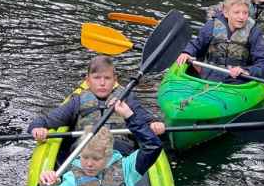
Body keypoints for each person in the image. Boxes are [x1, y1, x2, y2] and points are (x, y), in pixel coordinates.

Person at [38, 99, 161, 186]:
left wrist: (129, 116)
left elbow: (152, 146)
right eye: (85, 157)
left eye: (96, 159)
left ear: (108, 156)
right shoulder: (73, 176)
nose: (89, 164)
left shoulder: (126, 167)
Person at [28, 55, 165, 155]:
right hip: (85, 155)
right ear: (88, 81)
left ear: (114, 80)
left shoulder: (126, 99)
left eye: (107, 78)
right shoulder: (77, 101)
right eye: (97, 78)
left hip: (119, 152)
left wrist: (154, 124)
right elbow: (44, 121)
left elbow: (145, 120)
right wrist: (37, 129)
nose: (102, 83)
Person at [175, 0, 264, 83]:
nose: (241, 17)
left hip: (237, 80)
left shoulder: (254, 32)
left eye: (245, 13)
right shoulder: (211, 26)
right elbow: (196, 45)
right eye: (236, 12)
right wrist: (187, 52)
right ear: (226, 13)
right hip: (208, 74)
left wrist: (246, 71)